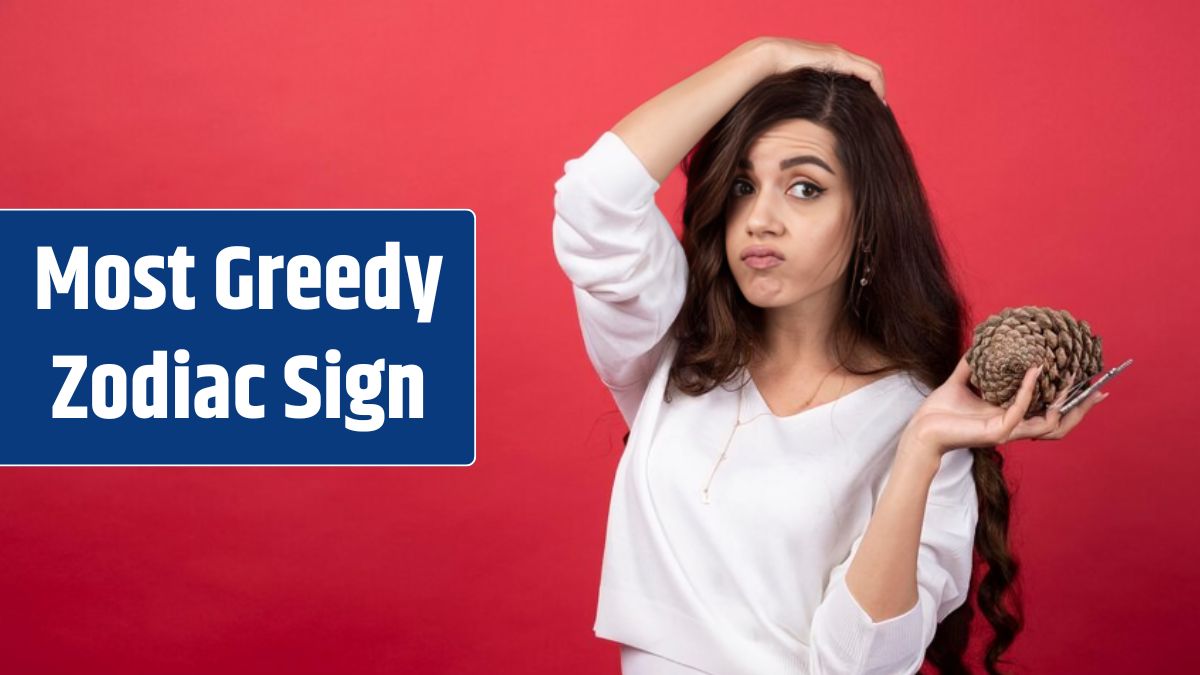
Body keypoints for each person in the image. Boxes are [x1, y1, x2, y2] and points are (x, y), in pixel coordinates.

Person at [551, 37, 1104, 675]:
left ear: (868, 220)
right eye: (742, 185)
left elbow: (859, 664)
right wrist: (758, 57)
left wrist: (921, 448)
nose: (760, 218)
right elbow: (594, 200)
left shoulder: (920, 424)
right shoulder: (674, 348)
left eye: (805, 188)